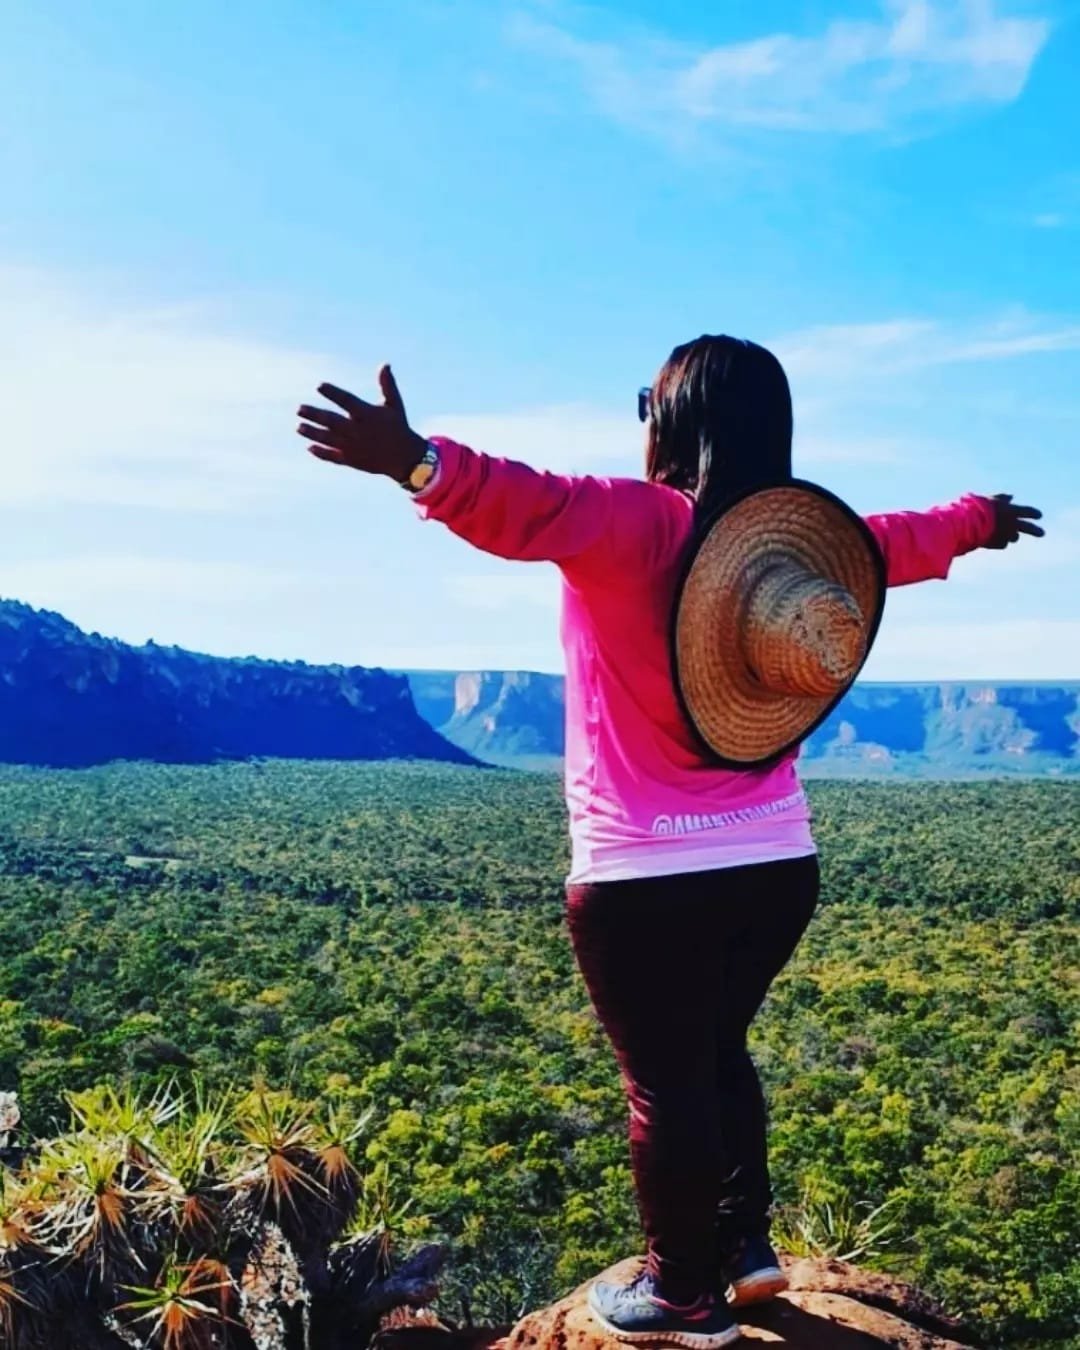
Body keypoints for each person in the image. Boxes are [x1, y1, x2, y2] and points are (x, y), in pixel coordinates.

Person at [297, 335, 1043, 1349]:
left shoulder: (637, 520)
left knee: (665, 1083)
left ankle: (682, 1291)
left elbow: (529, 502)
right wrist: (980, 522)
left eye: (647, 403)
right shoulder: (792, 548)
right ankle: (742, 1251)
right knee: (717, 1052)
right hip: (777, 865)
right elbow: (888, 542)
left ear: (672, 421)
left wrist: (416, 460)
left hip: (644, 874)